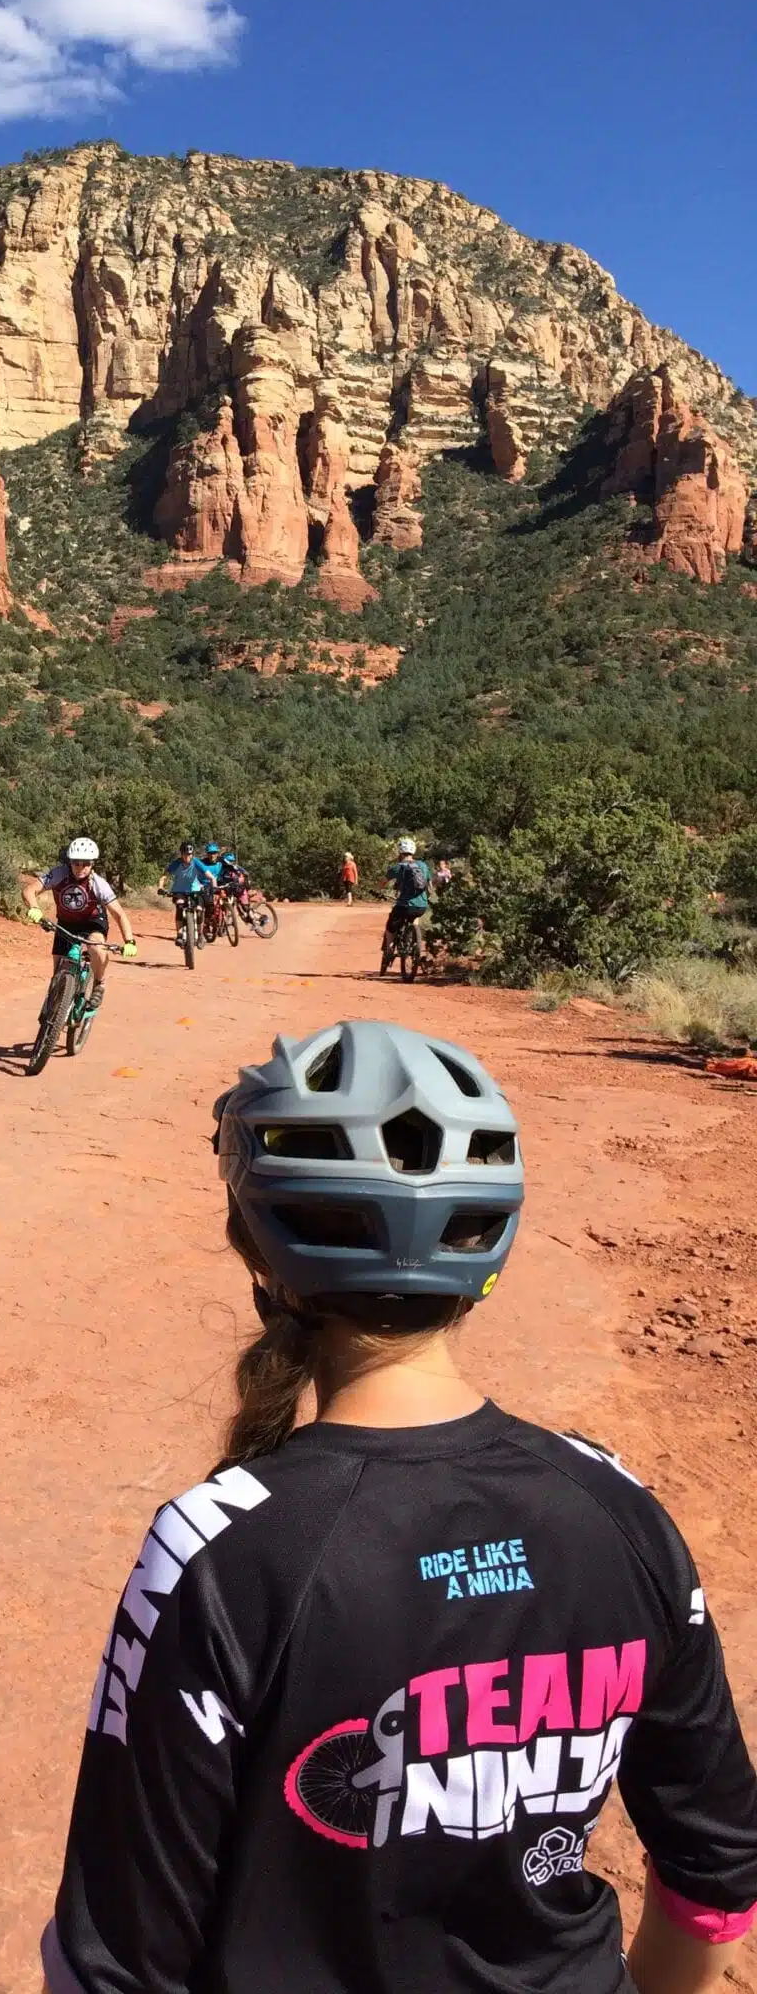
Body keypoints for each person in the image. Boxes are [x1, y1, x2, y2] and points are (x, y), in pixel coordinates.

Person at [42, 1019, 757, 1994]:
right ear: (487, 1249)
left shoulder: (219, 1550)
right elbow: (714, 1879)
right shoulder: (620, 1513)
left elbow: (119, 1958)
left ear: (259, 1258)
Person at [22, 837, 136, 1011]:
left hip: (93, 922)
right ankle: (55, 1012)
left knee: (96, 946)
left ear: (92, 864)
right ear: (70, 862)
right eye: (76, 863)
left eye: (86, 863)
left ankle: (99, 983)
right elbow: (29, 890)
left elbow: (119, 914)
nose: (81, 867)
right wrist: (34, 908)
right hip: (66, 922)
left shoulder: (99, 885)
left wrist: (129, 941)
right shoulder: (59, 874)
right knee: (57, 974)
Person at [384, 835, 431, 961]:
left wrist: (377, 890)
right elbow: (429, 886)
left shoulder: (398, 867)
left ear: (400, 852)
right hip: (421, 906)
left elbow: (382, 882)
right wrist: (425, 898)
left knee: (390, 925)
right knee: (414, 918)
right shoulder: (423, 865)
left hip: (404, 905)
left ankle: (388, 950)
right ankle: (414, 942)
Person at [162, 841, 215, 947]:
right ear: (181, 854)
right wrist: (160, 887)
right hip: (179, 891)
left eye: (189, 854)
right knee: (180, 905)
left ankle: (200, 935)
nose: (187, 857)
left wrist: (214, 887)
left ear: (192, 854)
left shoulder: (196, 862)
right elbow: (164, 876)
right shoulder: (177, 863)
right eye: (185, 854)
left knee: (199, 910)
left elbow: (211, 877)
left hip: (195, 890)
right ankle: (179, 935)